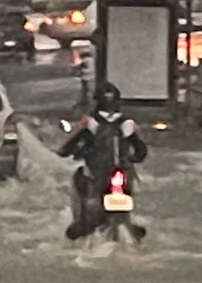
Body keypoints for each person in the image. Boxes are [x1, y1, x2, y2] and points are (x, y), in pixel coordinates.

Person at [57, 83, 148, 241]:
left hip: (97, 175)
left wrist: (69, 151)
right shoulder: (127, 124)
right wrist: (132, 158)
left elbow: (69, 146)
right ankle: (127, 222)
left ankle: (83, 221)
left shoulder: (91, 123)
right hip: (122, 175)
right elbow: (141, 151)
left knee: (80, 180)